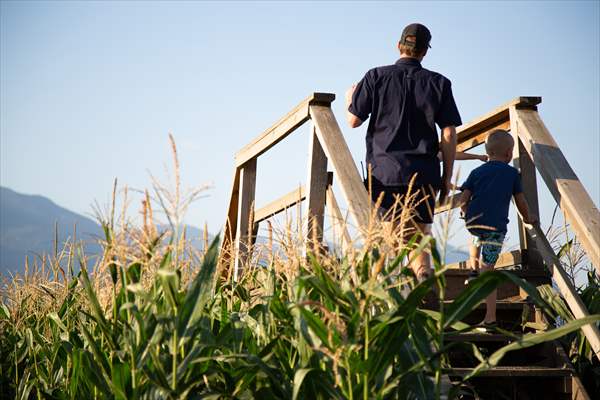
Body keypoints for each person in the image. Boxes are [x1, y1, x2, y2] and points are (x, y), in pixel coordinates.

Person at [345, 23, 461, 281]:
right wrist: (447, 175)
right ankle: (424, 297)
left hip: (385, 174)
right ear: (424, 52)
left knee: (389, 241)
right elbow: (450, 133)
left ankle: (393, 304)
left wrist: (349, 99)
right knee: (420, 240)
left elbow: (353, 121)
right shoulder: (439, 82)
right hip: (424, 174)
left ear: (399, 46)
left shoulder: (376, 76)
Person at [459, 129, 537, 327]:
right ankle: (490, 317)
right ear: (510, 153)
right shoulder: (511, 174)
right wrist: (529, 218)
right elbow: (520, 202)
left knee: (475, 236)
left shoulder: (476, 172)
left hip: (474, 221)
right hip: (496, 229)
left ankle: (472, 270)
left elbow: (464, 197)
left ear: (488, 151)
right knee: (490, 271)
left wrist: (464, 210)